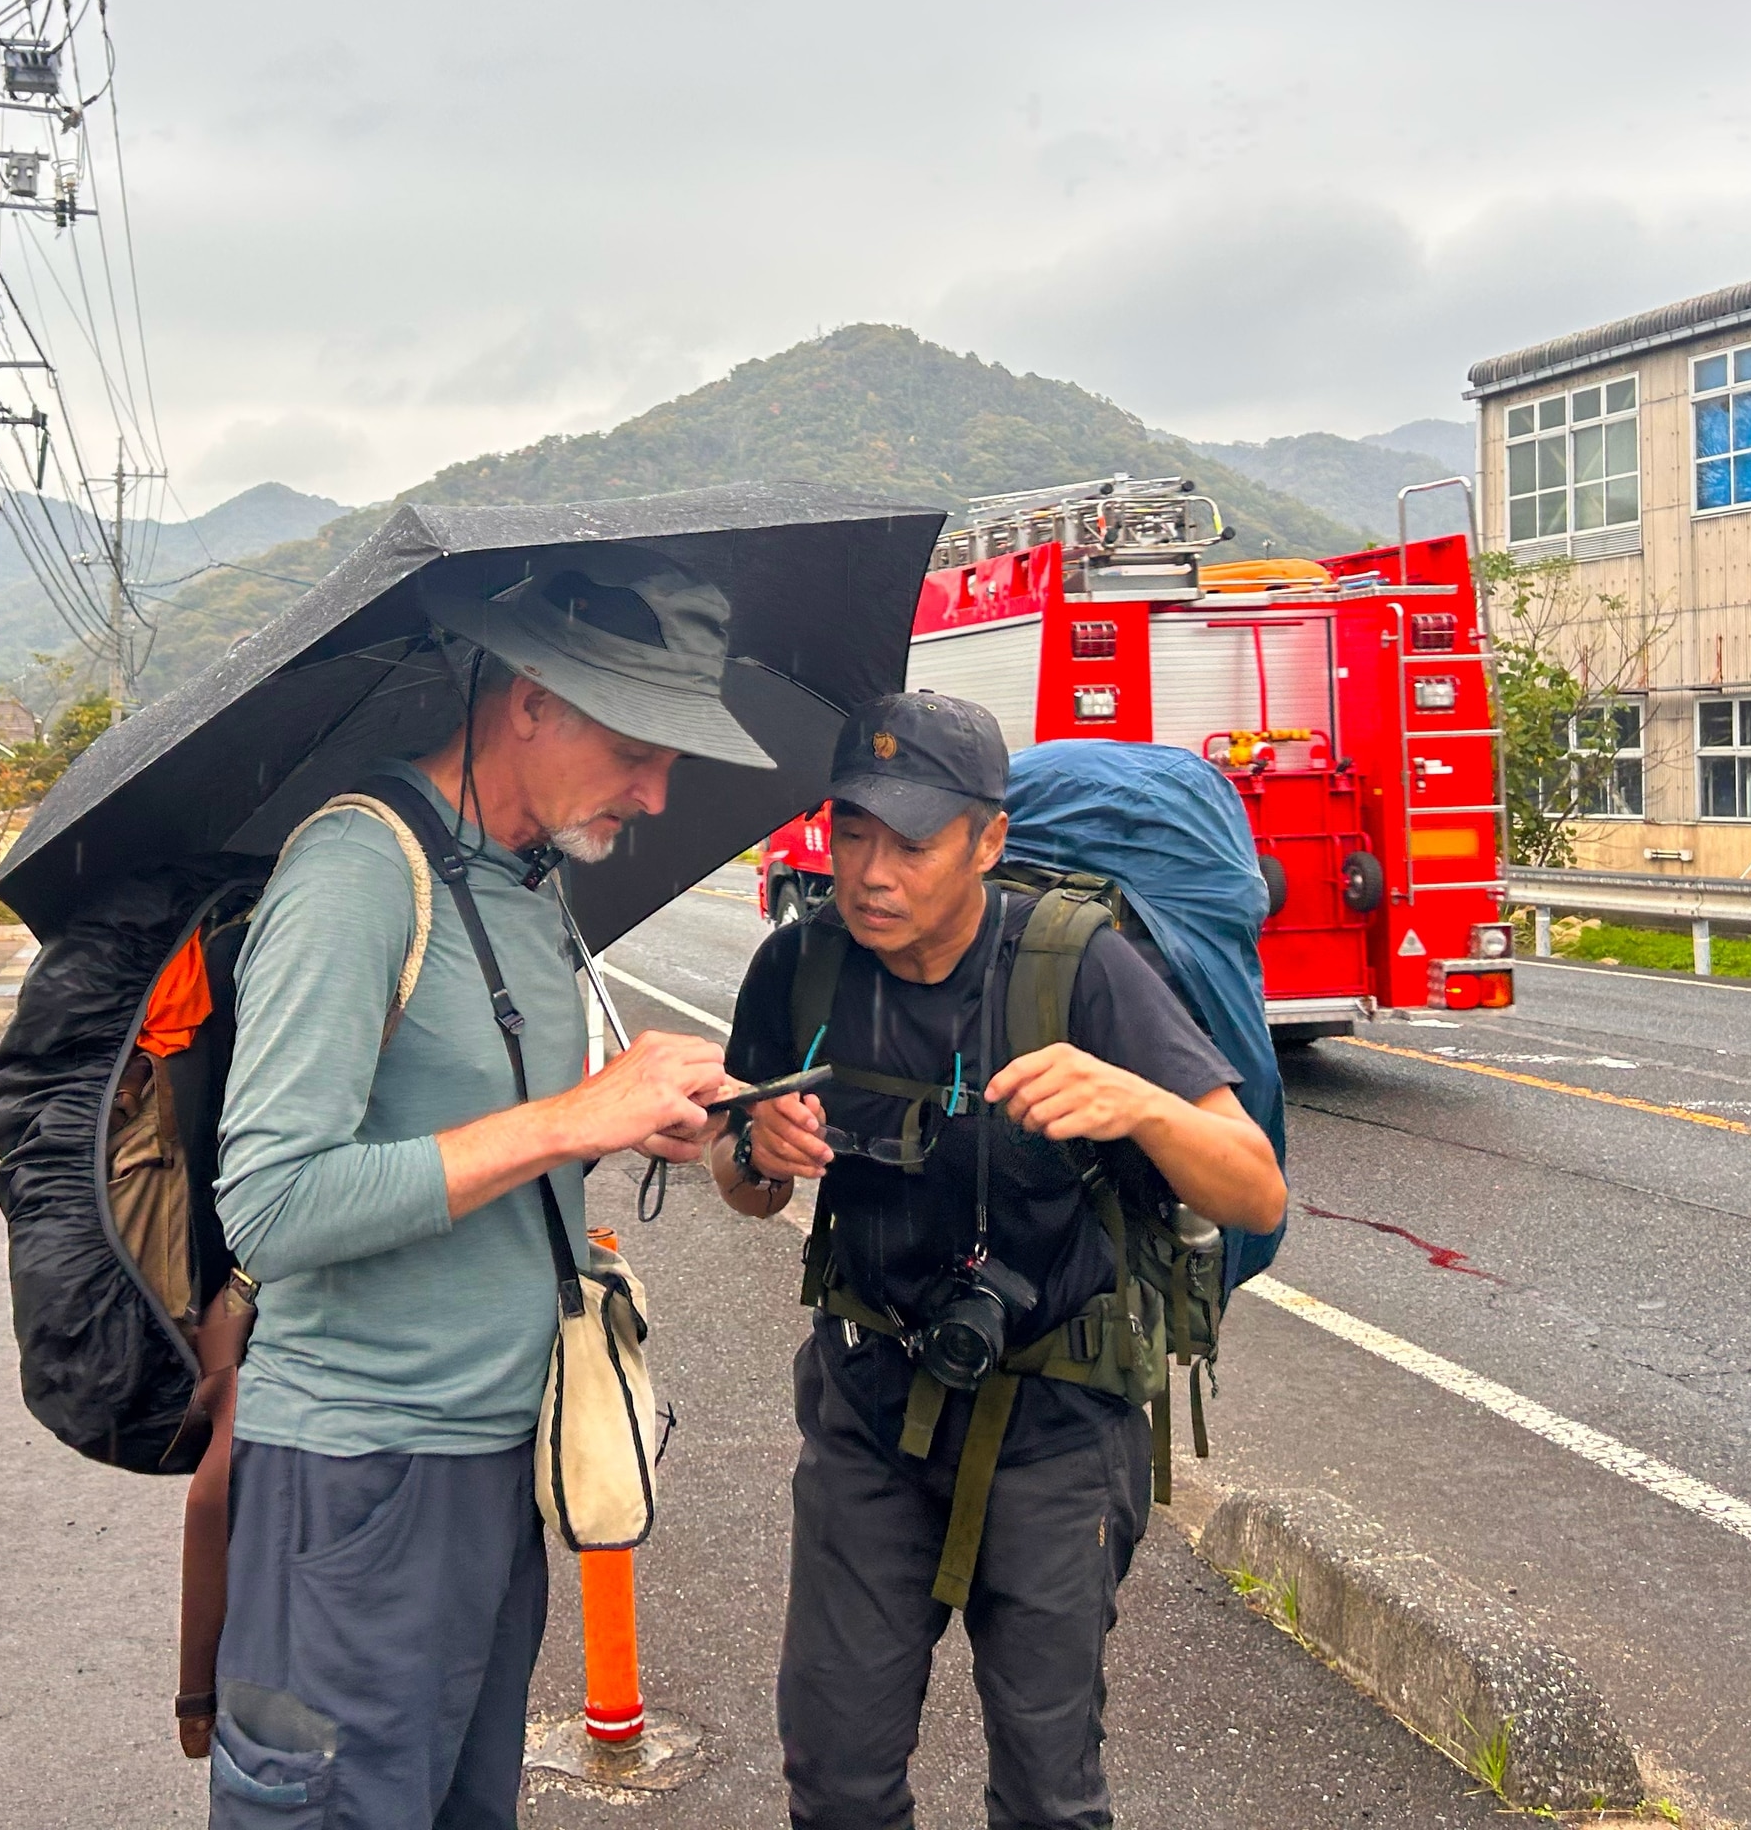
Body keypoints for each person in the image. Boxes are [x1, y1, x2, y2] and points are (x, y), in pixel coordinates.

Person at [206, 547, 766, 1827]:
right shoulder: (358, 871)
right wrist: (570, 1114)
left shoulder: (529, 880)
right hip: (358, 1479)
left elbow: (480, 1133)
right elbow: (274, 1205)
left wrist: (626, 1121)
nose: (659, 792)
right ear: (529, 701)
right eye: (639, 745)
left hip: (498, 1463)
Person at [710, 692, 1288, 1829]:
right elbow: (743, 1177)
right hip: (866, 1417)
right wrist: (751, 1150)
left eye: (912, 842)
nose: (870, 873)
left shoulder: (1083, 971)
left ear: (987, 839)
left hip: (1058, 1429)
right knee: (835, 1777)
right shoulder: (799, 970)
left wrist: (1139, 1104)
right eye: (853, 832)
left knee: (1047, 1791)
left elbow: (1252, 1181)